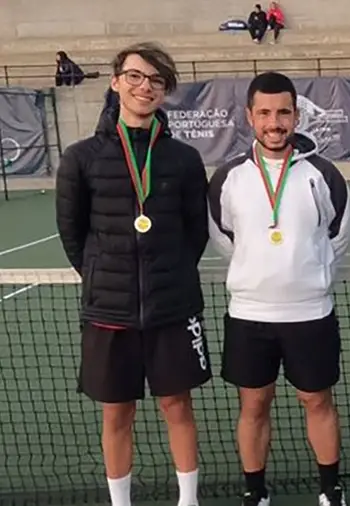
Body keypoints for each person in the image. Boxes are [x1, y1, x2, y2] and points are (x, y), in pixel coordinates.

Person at [55, 42, 211, 506]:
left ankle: (189, 500)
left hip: (172, 305)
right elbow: (72, 232)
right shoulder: (81, 158)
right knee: (117, 413)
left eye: (156, 81)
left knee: (177, 406)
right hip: (109, 310)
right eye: (137, 77)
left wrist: (171, 273)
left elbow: (195, 232)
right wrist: (105, 274)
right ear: (116, 81)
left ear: (165, 91)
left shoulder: (183, 159)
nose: (146, 87)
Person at [207, 71, 350, 506]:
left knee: (317, 401)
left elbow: (339, 235)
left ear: (296, 116)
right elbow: (222, 236)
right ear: (250, 117)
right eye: (265, 113)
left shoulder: (324, 174)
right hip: (249, 315)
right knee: (254, 406)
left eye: (284, 112)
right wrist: (258, 271)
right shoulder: (228, 177)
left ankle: (331, 490)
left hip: (310, 313)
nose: (275, 122)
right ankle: (256, 492)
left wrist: (310, 273)